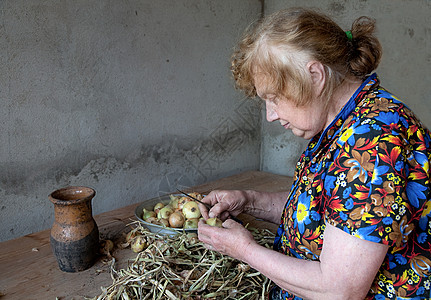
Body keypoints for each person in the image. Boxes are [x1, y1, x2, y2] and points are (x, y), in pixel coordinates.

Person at [197, 7, 431, 300]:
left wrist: (244, 250)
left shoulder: (371, 143)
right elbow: (331, 212)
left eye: (274, 98)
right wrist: (251, 201)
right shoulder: (347, 122)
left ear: (315, 75)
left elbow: (339, 290)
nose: (270, 114)